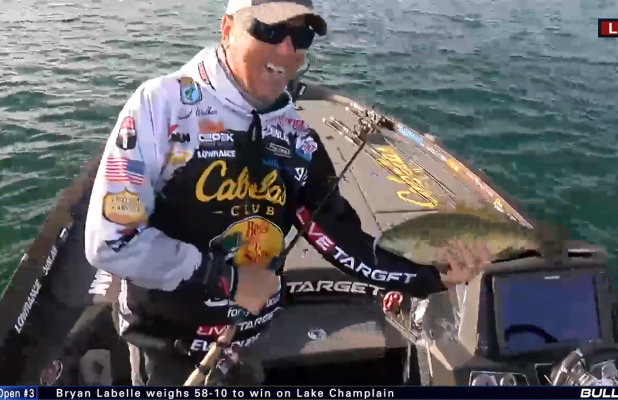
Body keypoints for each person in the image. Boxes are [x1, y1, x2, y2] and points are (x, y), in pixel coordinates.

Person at [84, 0, 491, 385]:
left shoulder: (297, 136)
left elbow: (338, 238)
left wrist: (427, 277)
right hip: (166, 347)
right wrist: (227, 281)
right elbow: (111, 241)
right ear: (227, 29)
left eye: (301, 36)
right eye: (269, 29)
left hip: (247, 342)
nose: (287, 49)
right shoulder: (160, 106)